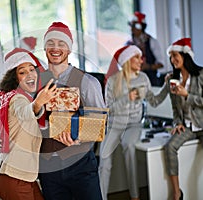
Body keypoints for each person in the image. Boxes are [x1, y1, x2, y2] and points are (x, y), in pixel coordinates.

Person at [38, 21, 106, 200]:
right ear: (44, 48)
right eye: (50, 43)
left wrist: (77, 138)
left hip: (80, 165)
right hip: (48, 167)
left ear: (69, 49)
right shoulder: (35, 83)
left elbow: (100, 126)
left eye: (61, 44)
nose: (55, 48)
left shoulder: (87, 82)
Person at [99, 45, 168, 200]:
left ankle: (134, 196)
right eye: (137, 57)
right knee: (104, 161)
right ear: (127, 60)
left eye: (141, 57)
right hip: (113, 125)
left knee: (129, 147)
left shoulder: (143, 78)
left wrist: (166, 87)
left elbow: (154, 102)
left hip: (133, 125)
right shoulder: (112, 80)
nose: (141, 60)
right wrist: (126, 98)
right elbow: (108, 109)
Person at [0, 48, 57, 200]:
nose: (30, 74)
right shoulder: (18, 99)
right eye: (22, 72)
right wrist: (38, 104)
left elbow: (17, 122)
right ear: (14, 78)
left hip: (21, 176)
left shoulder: (14, 98)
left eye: (32, 69)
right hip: (14, 178)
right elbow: (25, 112)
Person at [164, 38, 203, 200]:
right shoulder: (173, 80)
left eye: (175, 56)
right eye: (171, 57)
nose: (173, 60)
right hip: (187, 127)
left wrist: (187, 95)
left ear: (185, 55)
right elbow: (175, 109)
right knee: (170, 147)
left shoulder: (201, 75)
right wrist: (177, 122)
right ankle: (177, 193)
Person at [126, 11, 165, 87]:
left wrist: (148, 67)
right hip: (133, 83)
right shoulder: (128, 43)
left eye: (135, 26)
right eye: (131, 25)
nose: (132, 29)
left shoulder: (152, 42)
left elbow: (161, 64)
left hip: (150, 82)